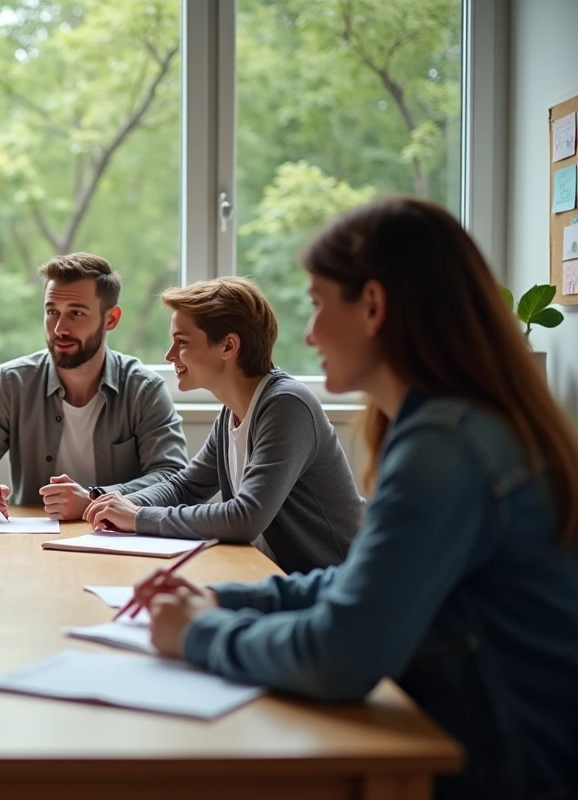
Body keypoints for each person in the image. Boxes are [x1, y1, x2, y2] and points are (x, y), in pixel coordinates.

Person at [135, 198, 578, 800]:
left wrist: (199, 634)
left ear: (373, 305)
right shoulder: (448, 425)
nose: (310, 331)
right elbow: (359, 583)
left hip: (506, 772)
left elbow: (340, 656)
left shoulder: (445, 447)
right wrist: (223, 597)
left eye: (318, 303)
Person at [84, 277, 362, 573]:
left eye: (182, 342)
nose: (169, 356)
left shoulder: (287, 405)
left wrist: (138, 517)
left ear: (228, 346)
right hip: (280, 579)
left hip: (339, 588)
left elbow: (245, 518)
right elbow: (185, 486)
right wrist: (115, 506)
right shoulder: (232, 413)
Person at [0, 252, 189, 521]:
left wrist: (95, 498)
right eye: (52, 312)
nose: (59, 328)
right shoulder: (13, 383)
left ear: (111, 319)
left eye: (76, 313)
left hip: (119, 541)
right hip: (34, 543)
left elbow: (172, 477)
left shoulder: (144, 389)